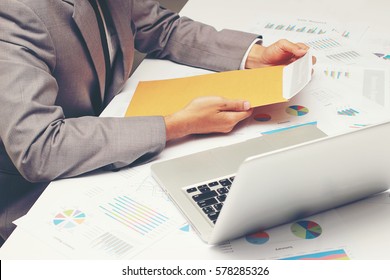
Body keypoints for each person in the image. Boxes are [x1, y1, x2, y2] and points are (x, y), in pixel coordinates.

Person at [0, 0, 311, 243]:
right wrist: (176, 125)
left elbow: (162, 27)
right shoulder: (15, 12)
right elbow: (39, 147)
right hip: (36, 192)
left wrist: (253, 56)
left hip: (108, 138)